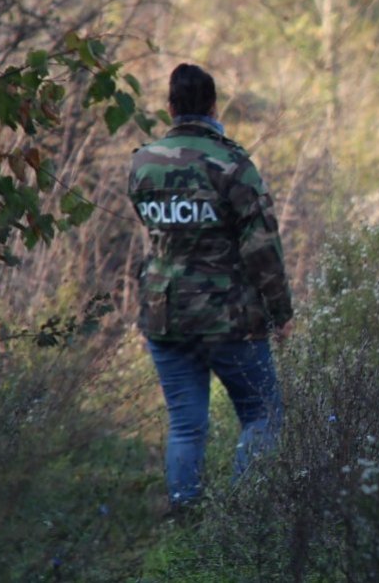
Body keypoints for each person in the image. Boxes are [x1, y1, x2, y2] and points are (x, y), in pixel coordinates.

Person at [128, 63, 293, 511]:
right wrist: (283, 314)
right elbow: (263, 248)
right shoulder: (233, 164)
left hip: (166, 317)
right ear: (214, 105)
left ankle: (186, 521)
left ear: (171, 107)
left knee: (186, 426)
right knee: (263, 415)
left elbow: (155, 231)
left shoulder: (142, 163)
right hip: (229, 318)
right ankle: (239, 518)